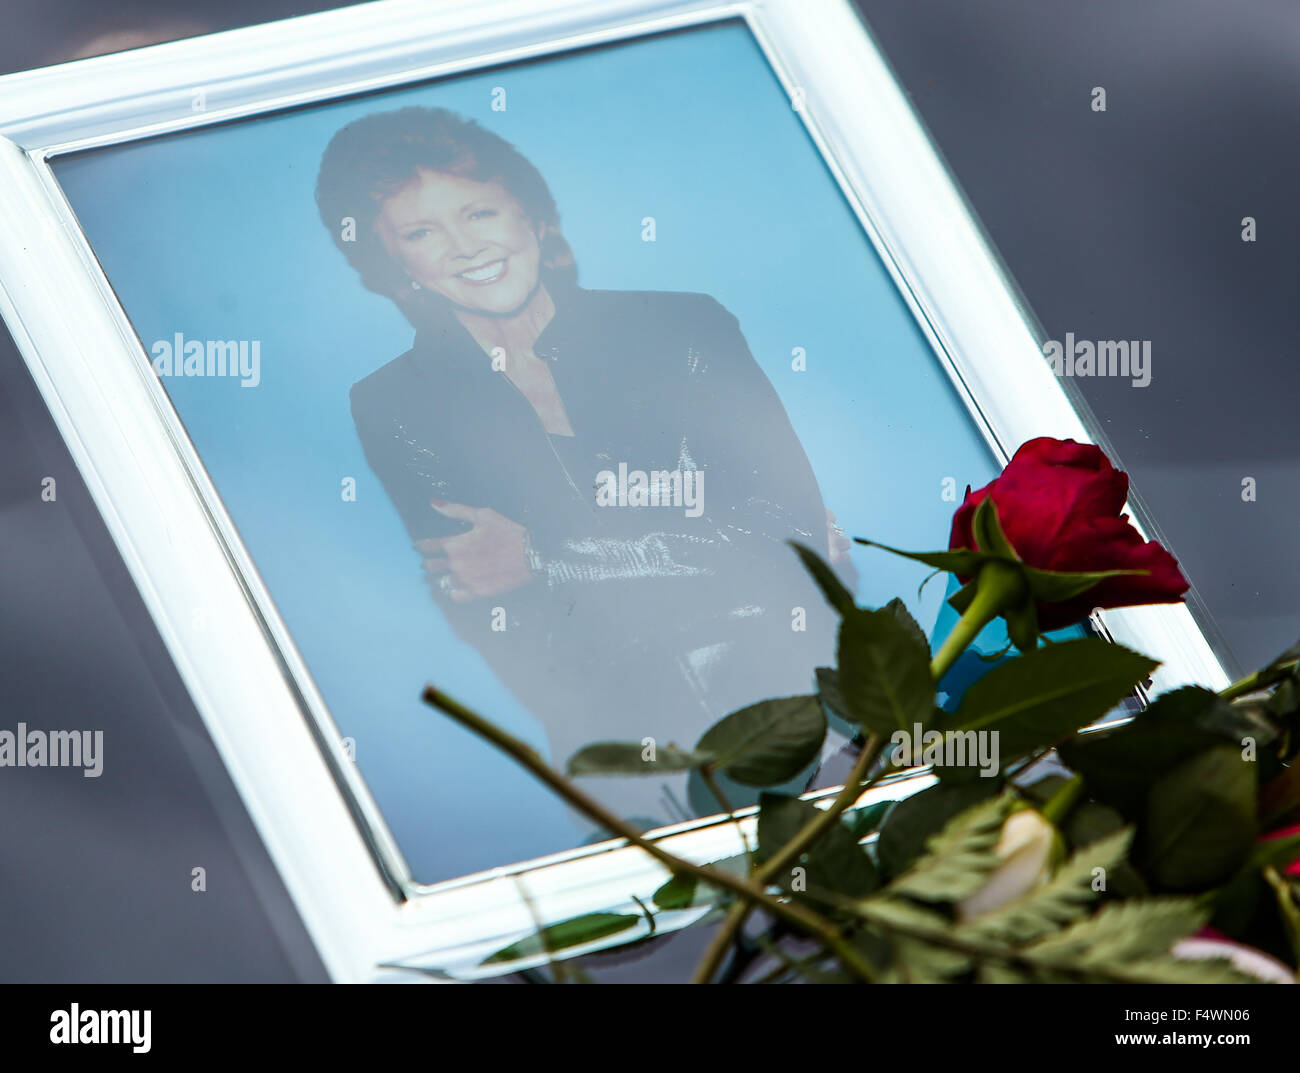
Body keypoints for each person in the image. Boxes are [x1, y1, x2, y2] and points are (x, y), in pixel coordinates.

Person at [317, 106, 851, 824]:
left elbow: (791, 542)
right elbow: (491, 604)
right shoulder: (391, 404)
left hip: (819, 719)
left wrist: (545, 553)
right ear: (393, 270)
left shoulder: (684, 325)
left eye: (479, 212)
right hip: (631, 772)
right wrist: (707, 547)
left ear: (534, 218)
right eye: (420, 232)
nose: (463, 247)